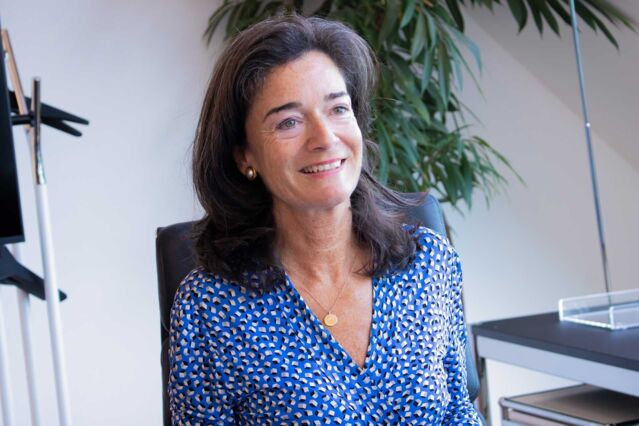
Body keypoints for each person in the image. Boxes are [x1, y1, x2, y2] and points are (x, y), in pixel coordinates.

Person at [168, 14, 480, 425]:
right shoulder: (211, 307)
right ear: (245, 155)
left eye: (337, 109)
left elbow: (460, 412)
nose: (325, 138)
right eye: (289, 121)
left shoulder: (429, 265)